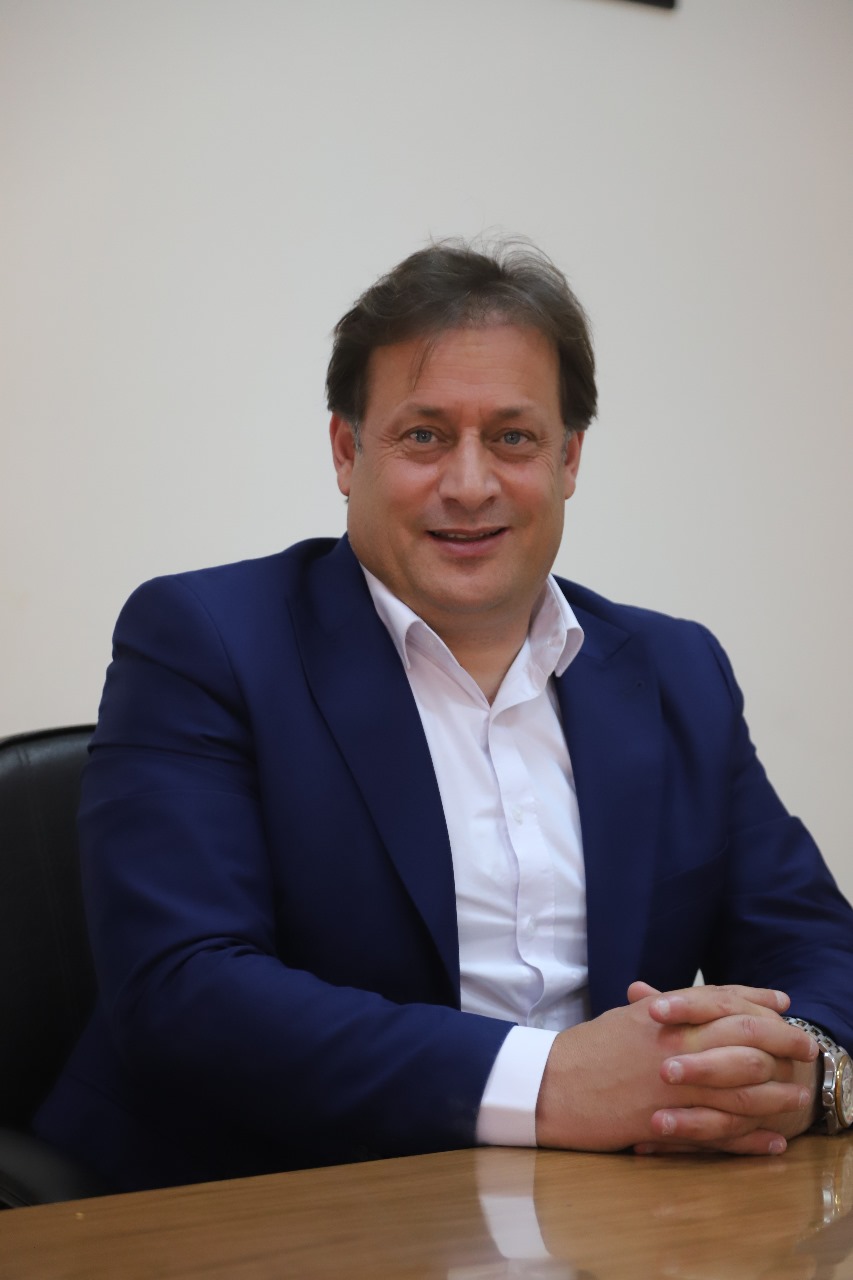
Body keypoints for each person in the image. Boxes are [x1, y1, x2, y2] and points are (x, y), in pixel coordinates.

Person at [36, 239, 853, 1192]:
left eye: (512, 438)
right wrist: (549, 1083)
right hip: (263, 1207)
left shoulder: (675, 670)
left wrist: (800, 1070)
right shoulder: (205, 641)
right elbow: (184, 990)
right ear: (346, 452)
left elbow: (815, 945)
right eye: (423, 436)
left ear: (568, 458)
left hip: (604, 1216)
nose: (469, 484)